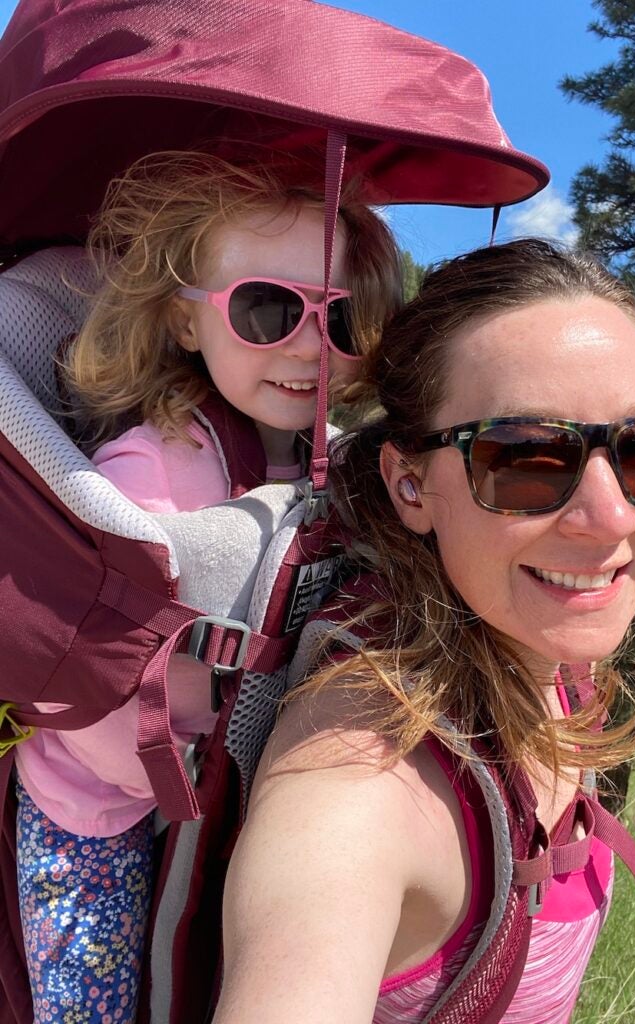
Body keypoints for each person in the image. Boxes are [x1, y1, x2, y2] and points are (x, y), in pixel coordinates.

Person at [213, 239, 635, 1023]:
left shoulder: (543, 650)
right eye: (525, 457)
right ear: (410, 484)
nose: (613, 516)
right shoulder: (356, 790)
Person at [13, 148, 401, 1024]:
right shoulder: (153, 470)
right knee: (94, 1006)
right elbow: (108, 693)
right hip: (97, 805)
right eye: (267, 310)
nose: (312, 347)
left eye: (338, 319)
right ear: (186, 324)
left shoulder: (321, 453)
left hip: (213, 788)